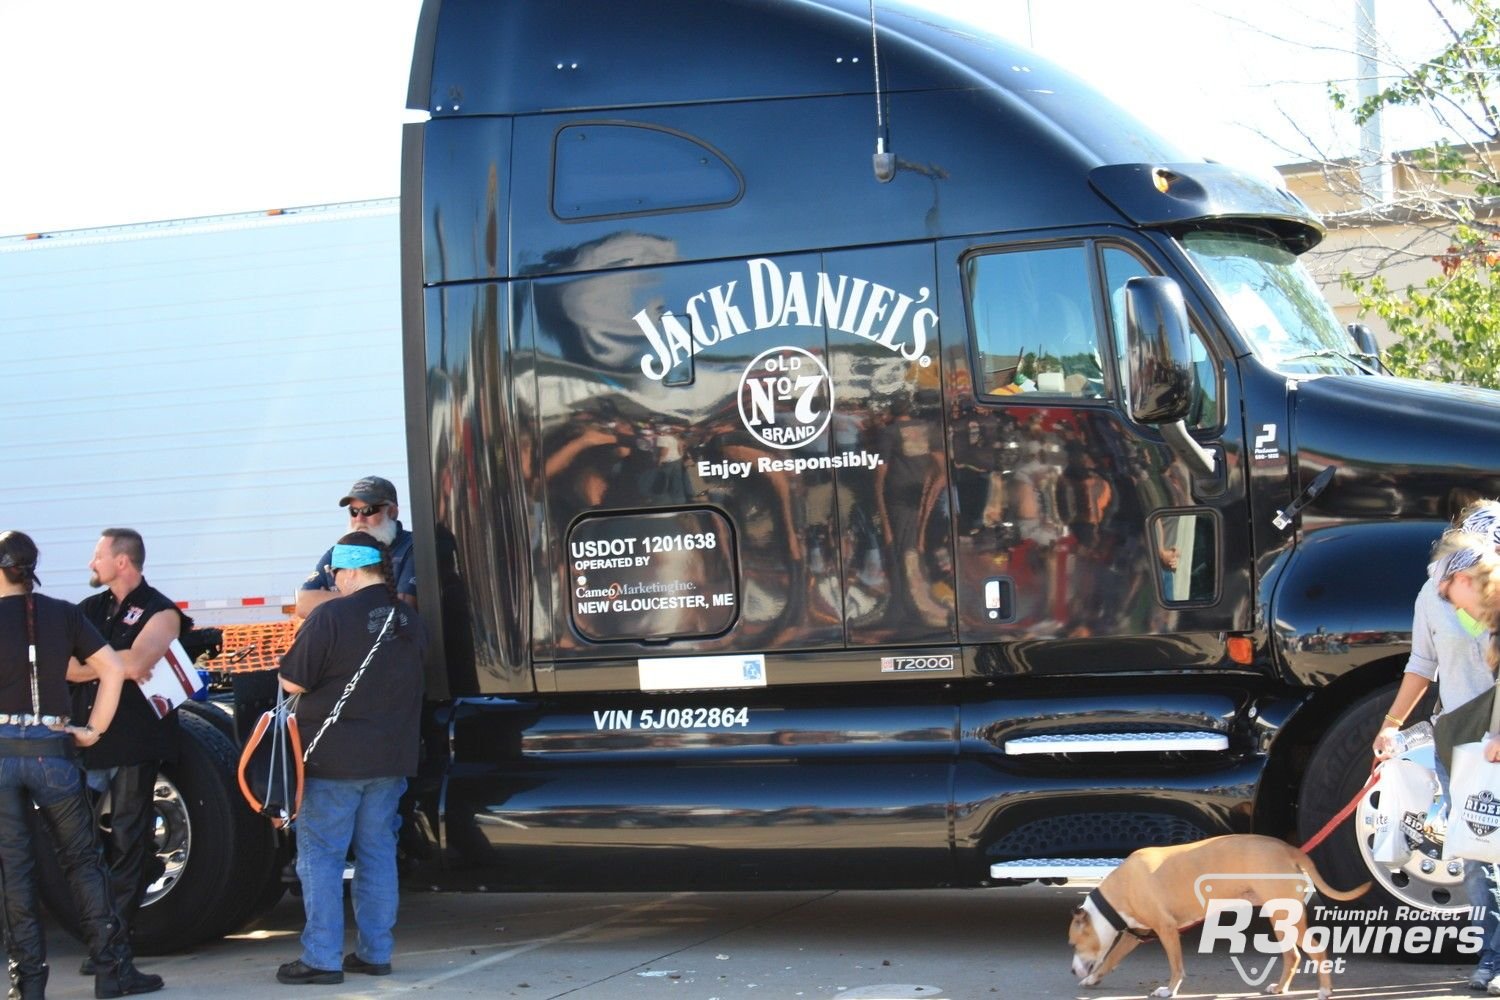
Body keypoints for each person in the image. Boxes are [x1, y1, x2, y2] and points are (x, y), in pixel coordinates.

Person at [0, 530, 163, 999]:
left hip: (3, 754)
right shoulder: (62, 613)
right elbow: (114, 668)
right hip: (53, 749)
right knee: (84, 863)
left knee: (16, 869)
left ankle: (28, 984)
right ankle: (113, 970)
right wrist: (93, 729)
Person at [275, 531, 427, 985]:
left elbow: (292, 682)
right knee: (377, 853)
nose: (334, 581)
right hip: (391, 760)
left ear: (353, 570)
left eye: (336, 572)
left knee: (320, 858)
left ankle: (321, 958)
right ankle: (375, 953)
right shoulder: (409, 620)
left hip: (333, 760)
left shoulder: (331, 617)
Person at [1373, 500, 1500, 991]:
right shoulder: (1433, 592)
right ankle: (1492, 957)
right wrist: (1391, 724)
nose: (1450, 586)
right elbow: (1422, 664)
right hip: (1461, 741)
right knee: (1475, 855)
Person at [70, 527, 188, 973]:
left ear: (122, 561)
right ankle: (98, 937)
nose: (91, 563)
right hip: (87, 741)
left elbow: (140, 663)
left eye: (97, 554)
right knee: (81, 845)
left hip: (136, 744)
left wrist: (99, 664)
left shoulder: (161, 611)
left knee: (128, 842)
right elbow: (66, 665)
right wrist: (112, 664)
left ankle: (113, 946)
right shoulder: (87, 610)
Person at [296, 477, 418, 618]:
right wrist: (371, 598)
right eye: (353, 511)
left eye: (368, 510)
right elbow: (303, 603)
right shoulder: (338, 552)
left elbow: (403, 607)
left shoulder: (412, 546)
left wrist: (334, 598)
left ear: (392, 512)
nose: (359, 519)